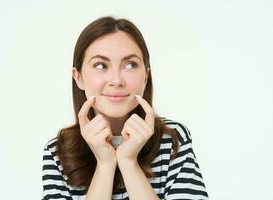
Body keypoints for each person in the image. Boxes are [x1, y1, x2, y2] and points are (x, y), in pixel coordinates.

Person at [42, 16, 208, 200]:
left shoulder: (173, 139)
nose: (116, 80)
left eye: (130, 65)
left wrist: (129, 163)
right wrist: (105, 165)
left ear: (145, 76)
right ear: (78, 77)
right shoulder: (58, 152)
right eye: (100, 65)